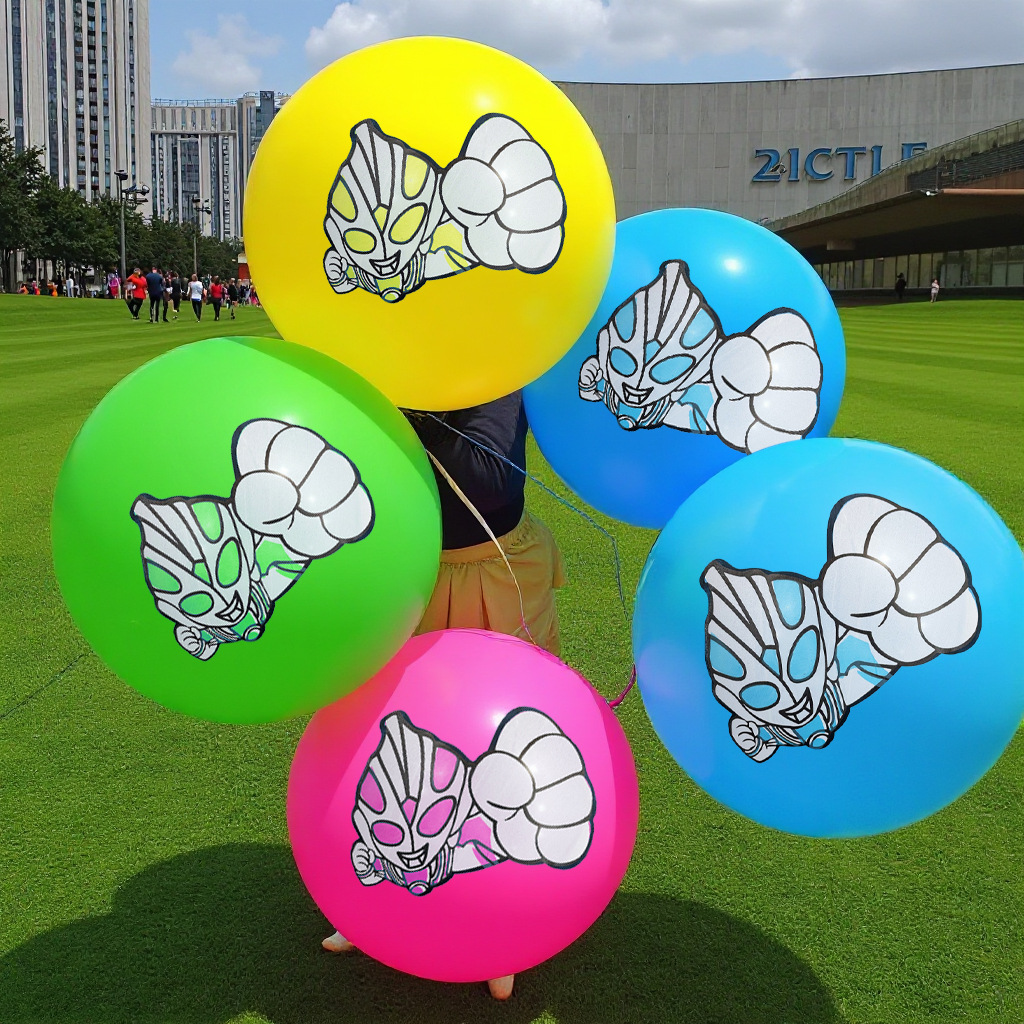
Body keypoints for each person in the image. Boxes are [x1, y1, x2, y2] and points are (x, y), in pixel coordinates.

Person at [321, 392, 564, 1002]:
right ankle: (367, 901)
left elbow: (486, 477)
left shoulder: (494, 370)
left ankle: (503, 927)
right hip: (401, 569)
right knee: (389, 735)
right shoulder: (378, 363)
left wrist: (405, 416)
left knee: (499, 746)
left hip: (492, 568)